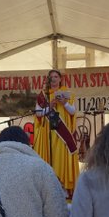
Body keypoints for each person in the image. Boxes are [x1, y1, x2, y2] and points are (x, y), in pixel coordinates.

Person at [33, 69, 79, 197]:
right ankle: (49, 188)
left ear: (60, 79)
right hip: (48, 133)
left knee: (61, 159)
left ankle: (63, 188)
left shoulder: (68, 94)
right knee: (50, 158)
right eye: (51, 77)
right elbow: (38, 113)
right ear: (48, 79)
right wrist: (50, 107)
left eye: (56, 76)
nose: (53, 79)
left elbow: (73, 112)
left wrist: (64, 103)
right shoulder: (43, 95)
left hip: (63, 134)